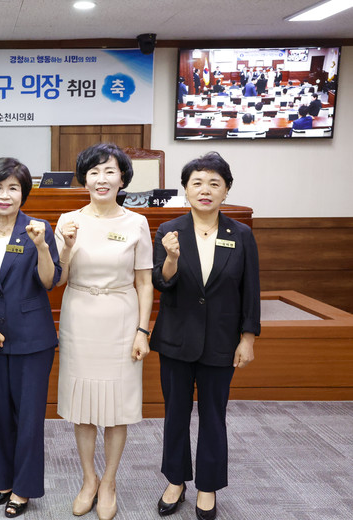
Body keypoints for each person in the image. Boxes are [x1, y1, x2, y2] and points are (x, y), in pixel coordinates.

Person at [152, 152, 260, 520]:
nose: (205, 190)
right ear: (185, 189)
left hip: (221, 340)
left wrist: (248, 338)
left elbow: (250, 289)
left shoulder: (241, 234)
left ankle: (208, 485)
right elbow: (161, 283)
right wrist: (170, 258)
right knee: (175, 414)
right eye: (197, 182)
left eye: (214, 183)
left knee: (214, 415)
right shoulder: (169, 230)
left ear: (226, 190)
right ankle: (175, 480)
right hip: (176, 339)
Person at [55, 143, 153, 520]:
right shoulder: (68, 220)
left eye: (109, 171)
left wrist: (142, 330)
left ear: (122, 179)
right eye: (94, 172)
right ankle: (88, 479)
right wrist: (66, 247)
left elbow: (144, 283)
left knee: (116, 408)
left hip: (121, 317)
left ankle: (109, 481)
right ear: (84, 180)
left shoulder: (136, 223)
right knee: (82, 407)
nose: (101, 178)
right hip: (79, 315)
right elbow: (58, 279)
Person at [0, 158, 61, 518]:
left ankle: (24, 488)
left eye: (13, 188)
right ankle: (3, 481)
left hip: (32, 338)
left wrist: (42, 247)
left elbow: (49, 281)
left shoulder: (39, 229)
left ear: (24, 193)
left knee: (29, 417)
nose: (4, 195)